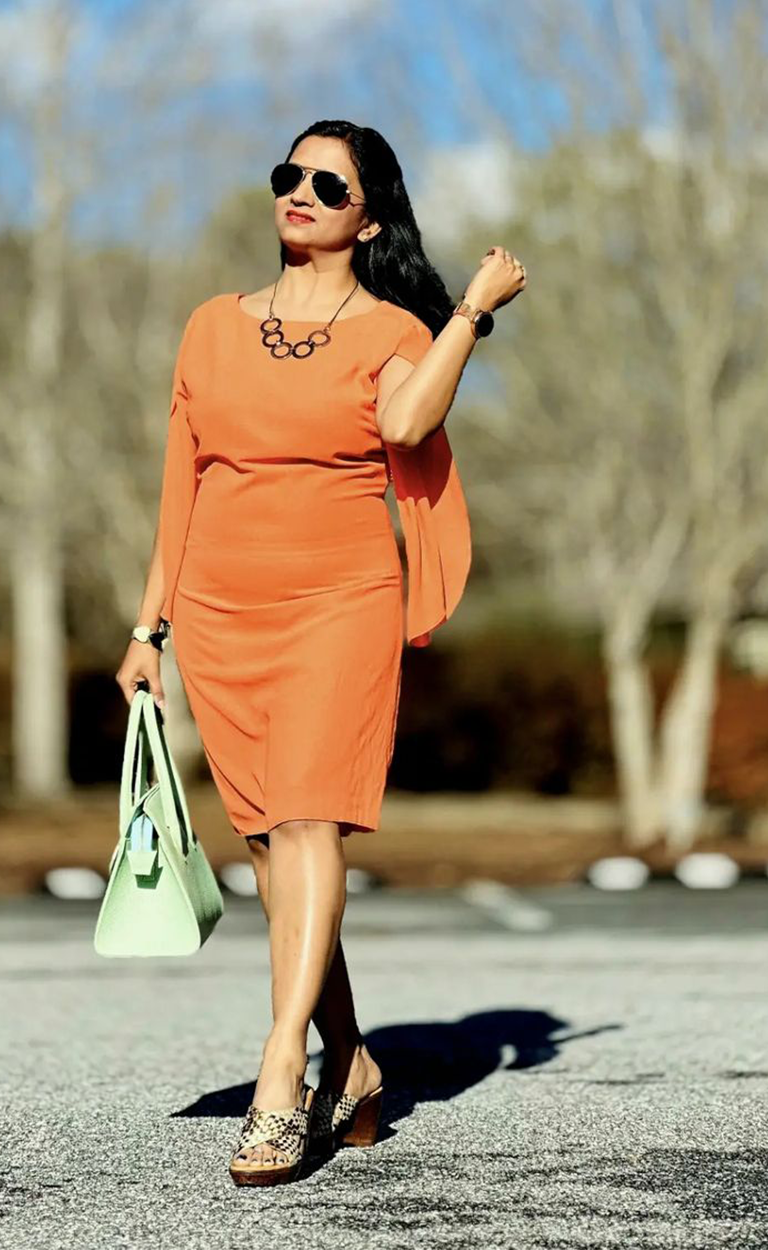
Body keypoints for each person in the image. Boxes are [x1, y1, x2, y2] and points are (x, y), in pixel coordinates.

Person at [116, 119, 525, 1185]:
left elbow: (408, 426)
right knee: (271, 854)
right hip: (219, 610)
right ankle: (353, 1063)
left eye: (328, 184)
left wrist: (470, 314)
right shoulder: (211, 324)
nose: (300, 192)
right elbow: (180, 483)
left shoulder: (392, 328)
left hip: (339, 602)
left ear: (369, 219)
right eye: (289, 175)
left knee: (308, 822)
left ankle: (279, 1071)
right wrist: (149, 627)